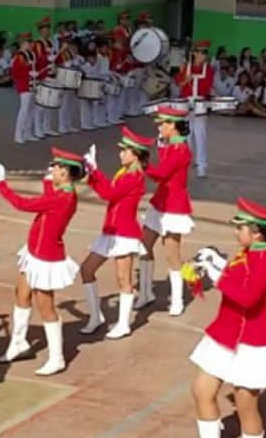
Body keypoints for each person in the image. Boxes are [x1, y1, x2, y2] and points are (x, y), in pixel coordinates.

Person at [188, 199, 266, 438]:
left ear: (256, 233)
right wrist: (214, 262)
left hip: (251, 340)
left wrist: (217, 276)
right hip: (225, 333)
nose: (236, 232)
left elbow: (248, 297)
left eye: (240, 228)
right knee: (202, 391)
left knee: (246, 407)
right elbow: (238, 276)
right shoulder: (248, 253)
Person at [0, 148, 82, 375]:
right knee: (21, 293)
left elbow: (23, 204)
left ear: (68, 173)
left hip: (46, 258)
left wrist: (2, 184)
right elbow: (48, 192)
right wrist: (48, 178)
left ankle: (57, 357)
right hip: (34, 252)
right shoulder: (61, 193)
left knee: (46, 306)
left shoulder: (63, 198)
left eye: (59, 168)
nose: (54, 170)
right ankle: (19, 343)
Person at [80, 129, 152, 339]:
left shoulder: (134, 176)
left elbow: (109, 194)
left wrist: (94, 171)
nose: (121, 154)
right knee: (87, 270)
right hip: (110, 231)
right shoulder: (124, 173)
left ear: (136, 155)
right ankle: (96, 316)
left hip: (124, 234)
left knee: (123, 279)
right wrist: (92, 175)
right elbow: (108, 193)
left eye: (125, 151)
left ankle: (124, 324)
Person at [138, 105, 194, 316]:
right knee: (144, 246)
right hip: (160, 201)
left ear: (173, 126)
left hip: (174, 206)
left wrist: (143, 164)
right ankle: (145, 293)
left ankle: (178, 300)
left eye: (163, 123)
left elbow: (161, 173)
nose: (160, 127)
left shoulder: (180, 150)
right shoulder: (170, 145)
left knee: (172, 254)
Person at [177, 40, 214, 177]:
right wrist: (186, 79)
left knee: (200, 134)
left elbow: (206, 87)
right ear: (194, 53)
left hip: (200, 102)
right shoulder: (185, 67)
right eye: (200, 52)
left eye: (205, 53)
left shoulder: (208, 69)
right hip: (186, 102)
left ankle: (202, 165)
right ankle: (186, 161)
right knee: (186, 134)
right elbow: (179, 83)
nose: (203, 55)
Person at [11, 33, 37, 144]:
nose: (30, 44)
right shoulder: (19, 56)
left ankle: (27, 132)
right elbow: (15, 72)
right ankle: (18, 134)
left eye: (30, 42)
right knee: (24, 109)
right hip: (24, 85)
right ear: (22, 43)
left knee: (31, 109)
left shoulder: (31, 54)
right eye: (28, 42)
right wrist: (29, 74)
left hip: (33, 84)